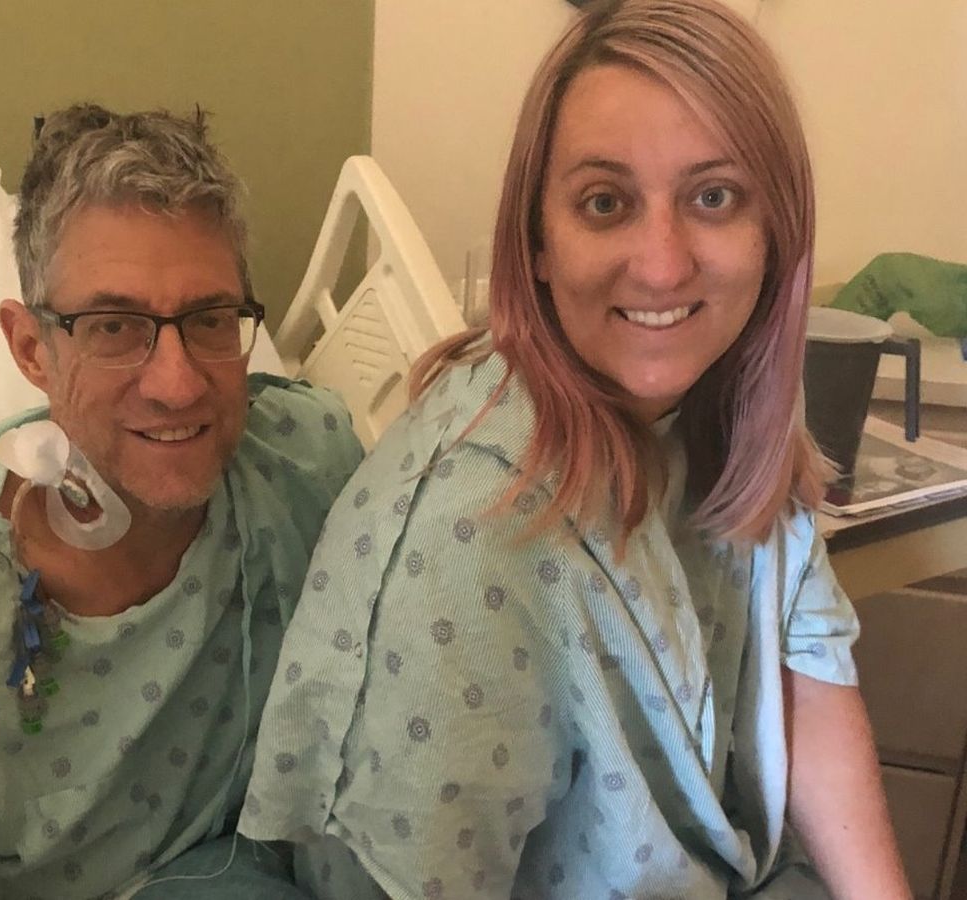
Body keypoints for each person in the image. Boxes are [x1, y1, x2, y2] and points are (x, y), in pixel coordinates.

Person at [238, 2, 913, 898]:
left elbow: (804, 659)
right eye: (606, 203)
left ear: (775, 230)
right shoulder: (472, 536)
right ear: (538, 245)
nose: (663, 265)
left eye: (713, 197)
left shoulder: (727, 393)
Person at [0, 104, 362, 898]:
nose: (178, 383)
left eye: (209, 319)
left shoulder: (302, 468)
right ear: (31, 349)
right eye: (114, 327)